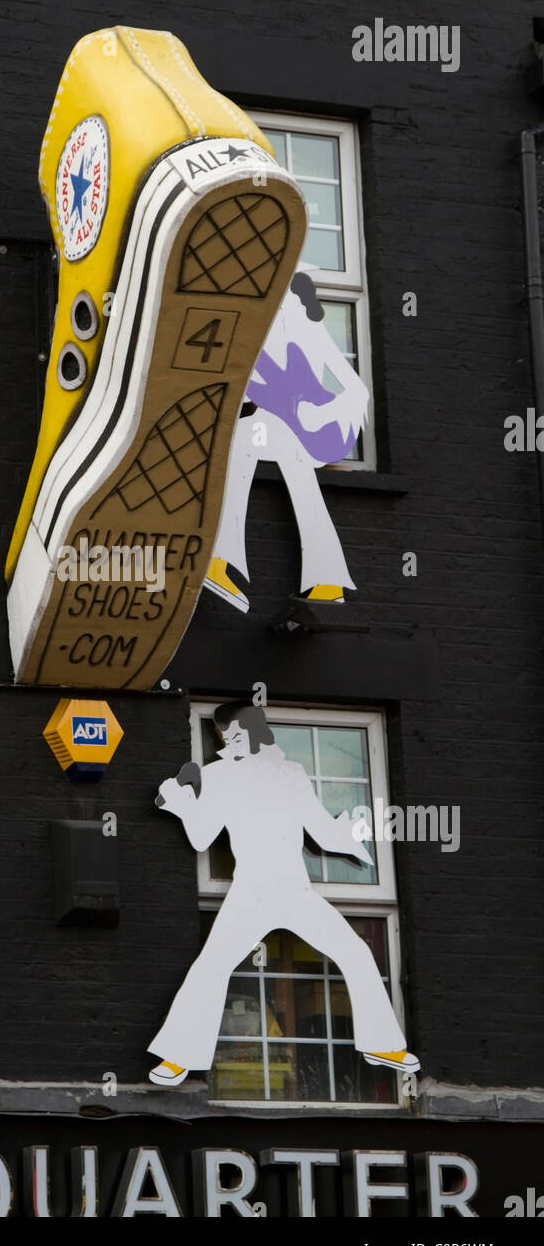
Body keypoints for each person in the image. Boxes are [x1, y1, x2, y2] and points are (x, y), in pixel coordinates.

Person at [148, 702, 419, 1086]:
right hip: (250, 891)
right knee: (212, 965)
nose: (233, 741)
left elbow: (321, 831)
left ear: (257, 730)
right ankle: (178, 1057)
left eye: (240, 733)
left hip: (295, 889)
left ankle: (382, 1044)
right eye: (227, 736)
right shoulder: (219, 775)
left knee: (356, 952)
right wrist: (185, 804)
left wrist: (355, 836)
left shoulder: (291, 773)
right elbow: (202, 837)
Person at [205, 270, 371, 612]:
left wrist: (321, 415)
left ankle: (220, 561)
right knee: (254, 435)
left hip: (318, 432)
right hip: (282, 431)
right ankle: (326, 581)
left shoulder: (312, 334)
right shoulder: (258, 348)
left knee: (251, 439)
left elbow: (356, 390)